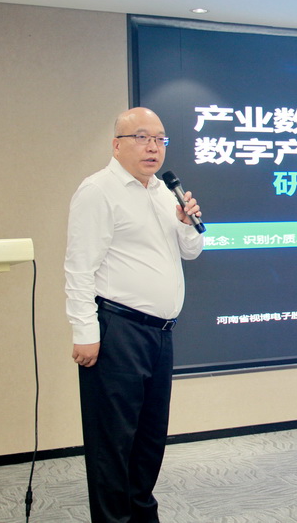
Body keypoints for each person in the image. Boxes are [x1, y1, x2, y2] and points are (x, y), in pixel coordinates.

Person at [64, 107, 204, 522]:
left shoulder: (164, 192)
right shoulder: (98, 190)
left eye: (160, 139)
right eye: (141, 137)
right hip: (117, 330)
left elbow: (192, 252)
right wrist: (84, 330)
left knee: (148, 440)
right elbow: (78, 268)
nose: (152, 147)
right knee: (113, 443)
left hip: (160, 335)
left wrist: (187, 223)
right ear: (116, 145)